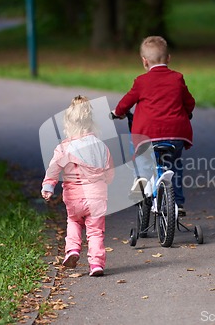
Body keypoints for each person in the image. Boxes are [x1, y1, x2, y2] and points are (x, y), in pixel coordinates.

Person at [112, 36, 195, 216]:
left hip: (147, 136)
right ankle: (178, 203)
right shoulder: (177, 78)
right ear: (168, 58)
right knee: (174, 165)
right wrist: (186, 111)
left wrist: (117, 113)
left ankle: (142, 184)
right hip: (176, 135)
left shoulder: (141, 81)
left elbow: (126, 103)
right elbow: (189, 102)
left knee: (139, 153)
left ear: (144, 61)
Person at [42, 95, 114, 277]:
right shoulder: (100, 146)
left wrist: (48, 187)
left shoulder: (64, 148)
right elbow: (109, 171)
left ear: (68, 123)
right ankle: (96, 264)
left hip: (74, 198)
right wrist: (104, 181)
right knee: (96, 231)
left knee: (73, 222)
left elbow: (53, 168)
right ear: (90, 122)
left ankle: (72, 250)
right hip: (96, 197)